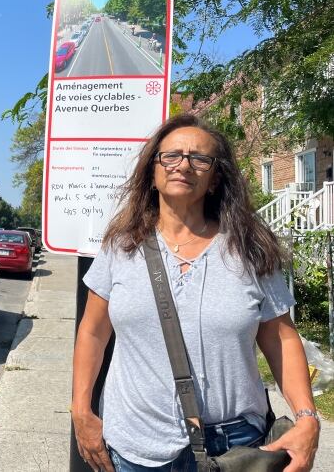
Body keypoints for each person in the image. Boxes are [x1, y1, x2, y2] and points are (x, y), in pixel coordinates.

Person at [71, 114, 319, 471]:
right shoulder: (122, 247)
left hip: (235, 449)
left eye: (199, 158)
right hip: (136, 446)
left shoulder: (250, 249)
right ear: (153, 172)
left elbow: (281, 339)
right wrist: (81, 410)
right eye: (171, 156)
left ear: (215, 178)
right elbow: (93, 332)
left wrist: (307, 417)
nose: (183, 165)